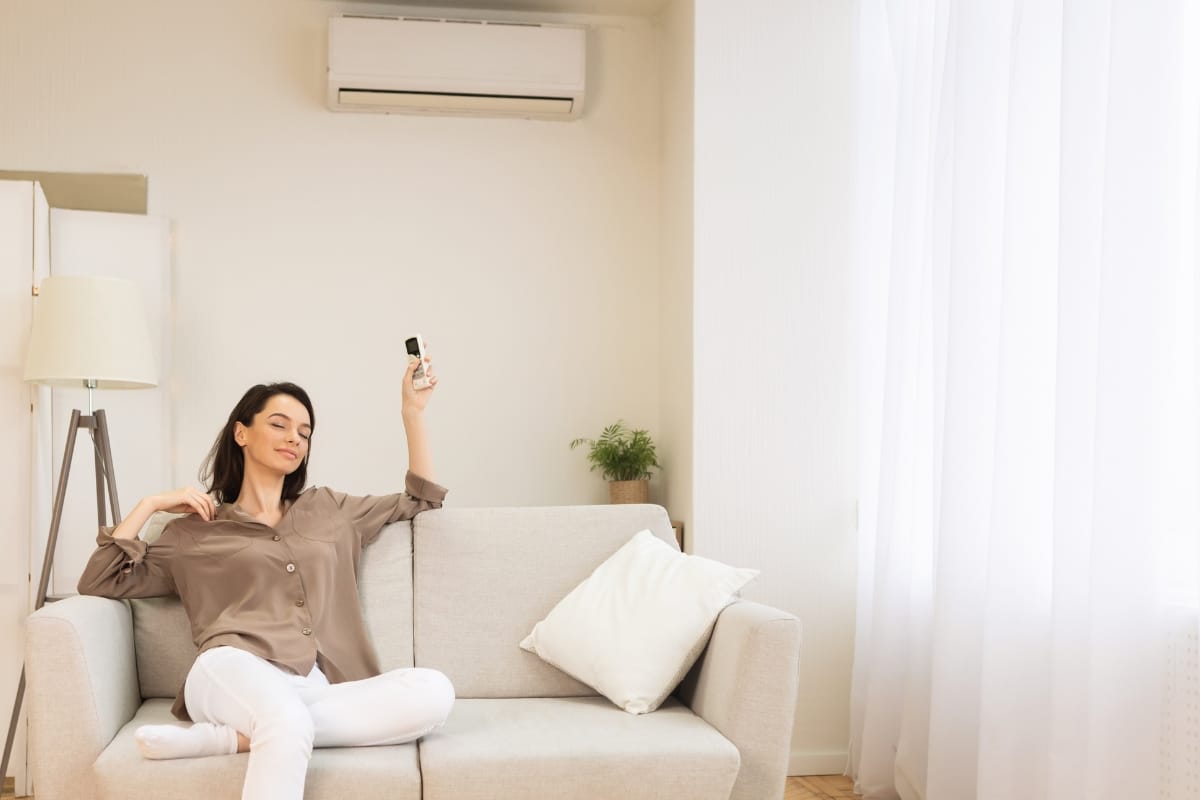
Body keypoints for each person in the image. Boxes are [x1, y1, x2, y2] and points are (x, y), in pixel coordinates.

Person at [77, 353, 452, 800]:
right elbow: (102, 579)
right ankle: (252, 727)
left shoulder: (331, 510)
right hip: (230, 668)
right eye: (279, 424)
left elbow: (421, 500)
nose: (294, 437)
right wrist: (150, 505)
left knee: (434, 691)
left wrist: (413, 412)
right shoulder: (194, 531)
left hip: (316, 682)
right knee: (286, 720)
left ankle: (226, 738)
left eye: (304, 432)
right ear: (242, 432)